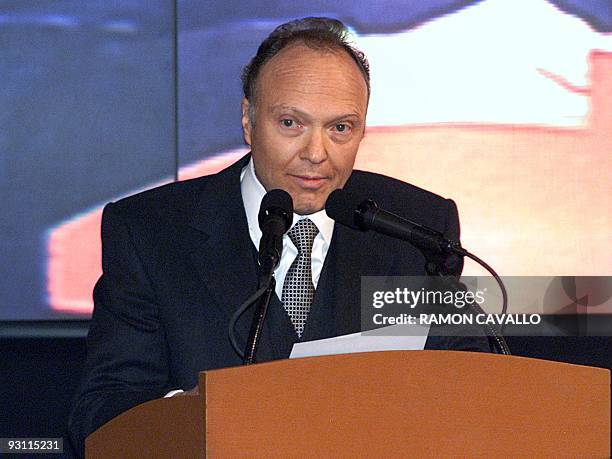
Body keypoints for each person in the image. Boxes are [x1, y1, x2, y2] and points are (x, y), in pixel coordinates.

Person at [68, 17, 492, 457]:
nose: (315, 153)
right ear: (249, 120)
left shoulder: (416, 228)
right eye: (291, 123)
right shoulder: (151, 232)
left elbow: (477, 385)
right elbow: (102, 413)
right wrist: (195, 421)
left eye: (340, 128)